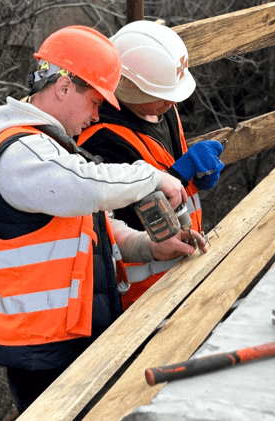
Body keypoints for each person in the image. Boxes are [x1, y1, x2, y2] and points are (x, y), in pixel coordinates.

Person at [0, 25, 206, 413]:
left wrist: (148, 246)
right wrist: (150, 176)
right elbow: (86, 187)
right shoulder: (21, 153)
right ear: (64, 87)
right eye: (96, 101)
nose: (97, 114)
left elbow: (94, 225)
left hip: (73, 332)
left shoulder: (51, 147)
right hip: (40, 348)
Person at [78, 20, 223, 309]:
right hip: (142, 291)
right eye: (162, 96)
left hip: (182, 263)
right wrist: (182, 173)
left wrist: (197, 175)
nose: (171, 102)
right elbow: (122, 219)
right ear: (131, 89)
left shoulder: (160, 109)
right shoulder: (101, 138)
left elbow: (169, 171)